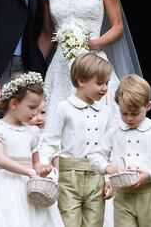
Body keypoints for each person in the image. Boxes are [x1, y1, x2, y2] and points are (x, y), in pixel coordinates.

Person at [0, 72, 65, 227]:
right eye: (31, 107)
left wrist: (42, 169)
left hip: (29, 189)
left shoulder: (32, 131)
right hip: (4, 186)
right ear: (14, 104)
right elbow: (0, 159)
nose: (35, 113)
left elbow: (36, 163)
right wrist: (28, 172)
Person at [89, 74, 151, 227]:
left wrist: (150, 174)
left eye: (135, 113)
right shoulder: (114, 131)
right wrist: (107, 167)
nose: (129, 118)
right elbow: (96, 156)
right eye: (124, 113)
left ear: (148, 106)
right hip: (123, 195)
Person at [41, 52, 116, 227]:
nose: (105, 88)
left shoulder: (106, 112)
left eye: (107, 83)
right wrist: (44, 164)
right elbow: (50, 140)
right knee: (69, 220)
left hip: (97, 176)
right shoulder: (64, 108)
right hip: (69, 176)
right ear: (81, 81)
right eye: (99, 83)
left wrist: (109, 180)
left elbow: (110, 148)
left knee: (94, 221)